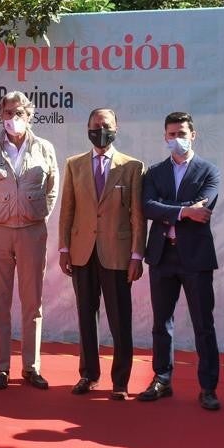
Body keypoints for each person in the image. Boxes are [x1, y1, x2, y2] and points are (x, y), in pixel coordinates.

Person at [0, 90, 58, 390]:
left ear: (30, 114)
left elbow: (52, 189)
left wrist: (39, 218)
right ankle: (2, 367)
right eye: (8, 113)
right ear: (0, 115)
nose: (13, 118)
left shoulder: (44, 149)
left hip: (33, 232)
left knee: (33, 302)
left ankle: (31, 367)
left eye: (19, 112)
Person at [58, 107, 144, 400]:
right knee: (85, 315)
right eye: (94, 125)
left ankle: (120, 381)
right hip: (83, 253)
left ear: (116, 128)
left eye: (105, 125)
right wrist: (64, 248)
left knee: (120, 318)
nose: (100, 130)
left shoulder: (132, 166)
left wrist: (136, 255)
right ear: (87, 128)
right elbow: (67, 210)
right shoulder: (74, 165)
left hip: (117, 254)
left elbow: (137, 216)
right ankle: (88, 374)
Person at [139, 111, 222, 410]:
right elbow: (148, 206)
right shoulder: (154, 172)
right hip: (162, 256)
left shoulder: (208, 171)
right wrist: (185, 211)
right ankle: (162, 378)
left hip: (196, 258)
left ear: (193, 135)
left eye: (182, 133)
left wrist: (170, 209)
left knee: (204, 324)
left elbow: (205, 207)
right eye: (172, 134)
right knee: (162, 323)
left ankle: (208, 388)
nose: (177, 139)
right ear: (164, 137)